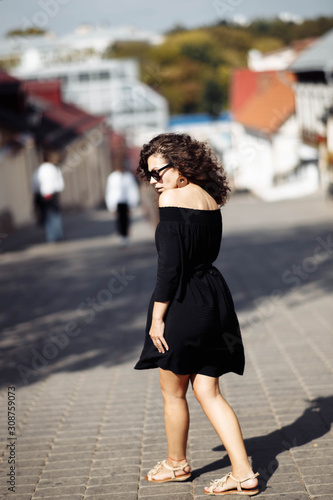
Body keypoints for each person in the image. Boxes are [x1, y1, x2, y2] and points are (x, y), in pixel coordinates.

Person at [134, 133, 259, 496]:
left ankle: (177, 465)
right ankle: (243, 472)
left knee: (172, 391)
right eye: (149, 174)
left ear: (182, 167)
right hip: (214, 297)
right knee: (209, 390)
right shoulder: (209, 198)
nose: (155, 181)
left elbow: (170, 269)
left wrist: (158, 318)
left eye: (159, 171)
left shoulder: (173, 199)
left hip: (184, 302)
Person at [32, 151, 65, 243]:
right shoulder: (54, 169)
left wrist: (38, 193)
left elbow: (35, 184)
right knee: (56, 214)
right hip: (53, 194)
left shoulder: (39, 170)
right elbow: (60, 184)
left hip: (43, 195)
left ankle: (51, 237)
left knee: (47, 215)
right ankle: (58, 235)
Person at [105, 165, 140, 245]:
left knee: (126, 220)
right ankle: (121, 236)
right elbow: (110, 191)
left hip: (126, 202)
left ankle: (126, 235)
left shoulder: (128, 177)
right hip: (117, 202)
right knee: (119, 220)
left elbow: (132, 190)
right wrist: (111, 205)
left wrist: (133, 203)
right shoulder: (112, 177)